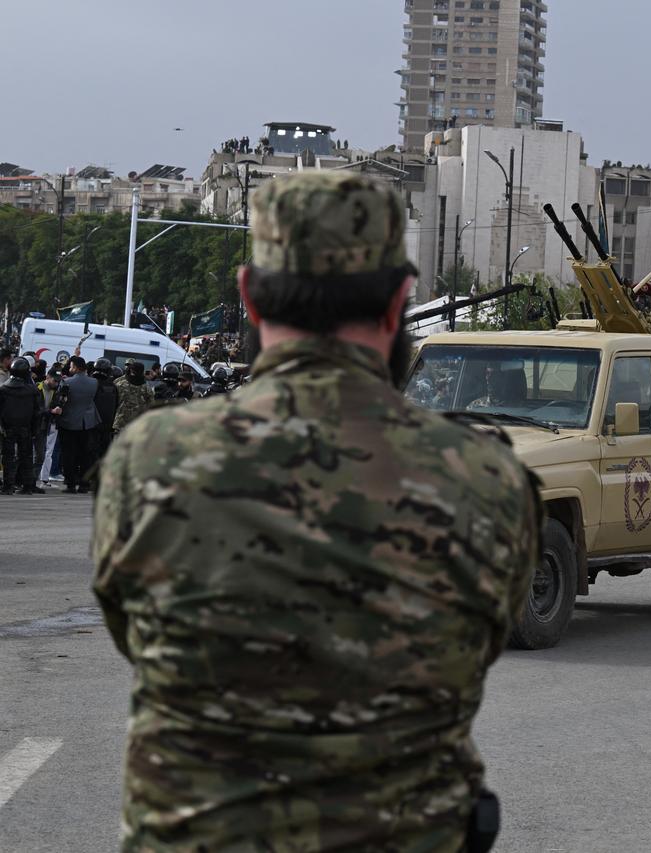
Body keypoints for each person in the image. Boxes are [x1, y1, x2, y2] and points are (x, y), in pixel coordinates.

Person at [92, 171, 538, 852]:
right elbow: (483, 640)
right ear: (399, 301)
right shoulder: (486, 477)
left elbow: (131, 628)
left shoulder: (150, 457)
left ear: (248, 294)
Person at [53, 355, 100, 494]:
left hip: (69, 422)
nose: (70, 368)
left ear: (76, 368)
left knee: (68, 454)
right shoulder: (94, 382)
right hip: (87, 422)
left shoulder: (66, 382)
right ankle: (84, 484)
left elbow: (61, 400)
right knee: (85, 454)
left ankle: (71, 484)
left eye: (71, 366)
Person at [0, 356, 46, 494]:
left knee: (8, 457)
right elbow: (38, 412)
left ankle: (8, 486)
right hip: (26, 428)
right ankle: (27, 486)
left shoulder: (4, 389)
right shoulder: (32, 390)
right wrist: (35, 430)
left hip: (8, 428)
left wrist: (2, 427)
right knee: (26, 456)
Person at [113, 361, 155, 433]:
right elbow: (151, 406)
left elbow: (113, 403)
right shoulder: (147, 388)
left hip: (120, 424)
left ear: (131, 370)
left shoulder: (119, 384)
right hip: (138, 425)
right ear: (142, 372)